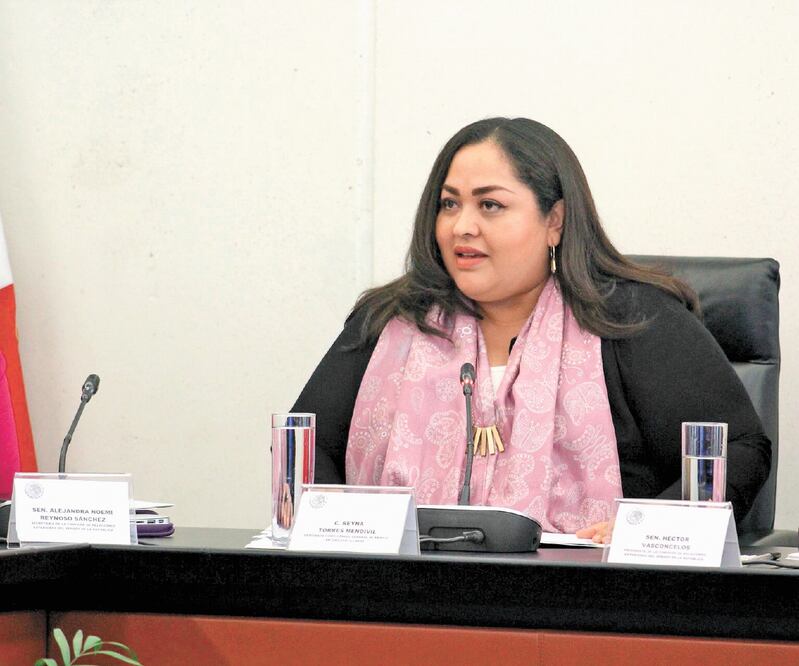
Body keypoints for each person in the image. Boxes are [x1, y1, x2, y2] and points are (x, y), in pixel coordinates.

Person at [292, 117, 770, 539]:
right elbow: (307, 449)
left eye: (490, 206)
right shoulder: (391, 322)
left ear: (555, 221)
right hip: (403, 593)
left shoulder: (629, 320)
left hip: (588, 601)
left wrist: (644, 529)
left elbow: (738, 451)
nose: (462, 227)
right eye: (450, 204)